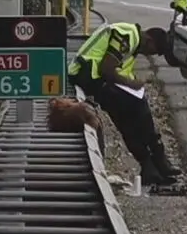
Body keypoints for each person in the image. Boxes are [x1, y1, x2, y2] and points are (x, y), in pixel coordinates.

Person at [68, 23, 177, 184]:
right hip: (86, 74)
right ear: (149, 40)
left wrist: (132, 84)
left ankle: (151, 164)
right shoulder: (127, 36)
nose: (148, 55)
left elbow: (118, 71)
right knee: (136, 110)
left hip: (92, 77)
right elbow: (107, 68)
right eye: (152, 51)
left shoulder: (132, 43)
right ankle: (155, 160)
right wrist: (130, 84)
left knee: (129, 113)